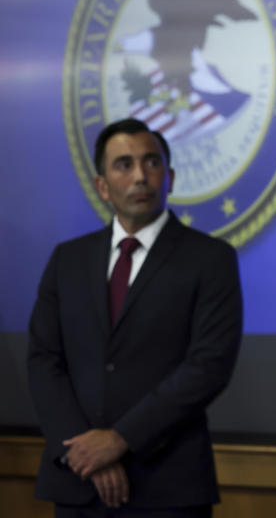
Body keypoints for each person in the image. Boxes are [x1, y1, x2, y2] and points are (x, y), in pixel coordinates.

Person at [28, 118, 243, 517]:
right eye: (124, 165)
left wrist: (120, 439)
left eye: (152, 163)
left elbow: (209, 365)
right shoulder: (67, 260)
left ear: (171, 177)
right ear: (102, 185)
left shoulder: (210, 259)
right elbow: (44, 360)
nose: (140, 175)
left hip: (167, 485)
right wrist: (85, 450)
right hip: (78, 481)